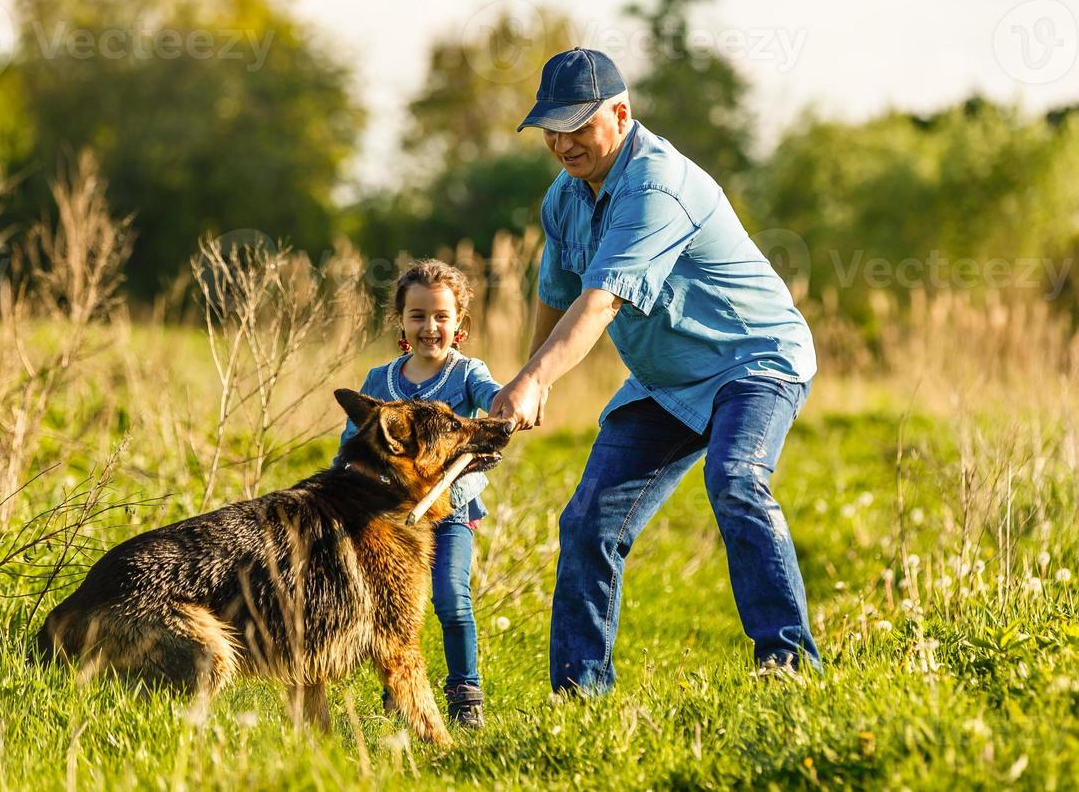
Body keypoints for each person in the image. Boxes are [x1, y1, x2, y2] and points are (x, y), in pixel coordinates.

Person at [490, 48, 820, 694]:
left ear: (619, 113)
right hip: (666, 383)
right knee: (588, 521)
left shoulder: (655, 187)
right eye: (551, 129)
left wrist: (536, 381)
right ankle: (580, 696)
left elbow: (601, 301)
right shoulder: (564, 199)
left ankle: (789, 670)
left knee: (736, 480)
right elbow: (555, 294)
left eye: (577, 126)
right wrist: (533, 374)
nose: (561, 143)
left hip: (753, 360)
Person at [337, 259, 502, 727]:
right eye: (418, 316)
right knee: (393, 604)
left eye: (442, 317)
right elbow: (352, 449)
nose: (430, 327)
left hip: (449, 511)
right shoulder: (380, 380)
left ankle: (465, 693)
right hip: (388, 518)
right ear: (402, 322)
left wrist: (505, 403)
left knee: (451, 597)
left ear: (459, 323)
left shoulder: (468, 373)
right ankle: (399, 690)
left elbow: (492, 397)